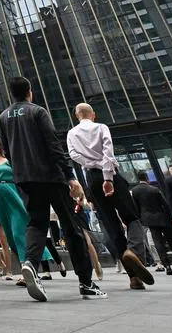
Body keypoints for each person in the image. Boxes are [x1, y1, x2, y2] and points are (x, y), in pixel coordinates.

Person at [0, 76, 105, 301]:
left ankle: (30, 263)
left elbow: (7, 150)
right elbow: (53, 144)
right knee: (71, 227)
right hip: (50, 177)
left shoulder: (4, 116)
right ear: (30, 91)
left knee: (36, 223)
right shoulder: (38, 111)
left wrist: (20, 172)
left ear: (12, 93)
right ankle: (86, 282)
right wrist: (70, 176)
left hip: (24, 179)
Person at [66, 103, 154, 291]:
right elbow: (108, 151)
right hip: (110, 175)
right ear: (93, 114)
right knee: (132, 217)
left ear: (77, 116)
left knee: (111, 225)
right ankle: (134, 252)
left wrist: (91, 163)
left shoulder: (72, 133)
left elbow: (73, 155)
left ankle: (134, 278)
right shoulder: (101, 127)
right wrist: (107, 177)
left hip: (91, 179)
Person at [0, 133, 54, 286]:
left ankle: (27, 271)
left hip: (14, 196)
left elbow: (20, 176)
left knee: (18, 232)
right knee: (10, 235)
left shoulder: (9, 159)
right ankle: (29, 268)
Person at [130, 173, 172, 275]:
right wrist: (171, 217)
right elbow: (165, 204)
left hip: (149, 219)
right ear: (147, 178)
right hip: (163, 218)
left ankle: (167, 266)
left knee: (157, 242)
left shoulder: (135, 191)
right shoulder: (154, 189)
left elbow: (136, 207)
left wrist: (141, 218)